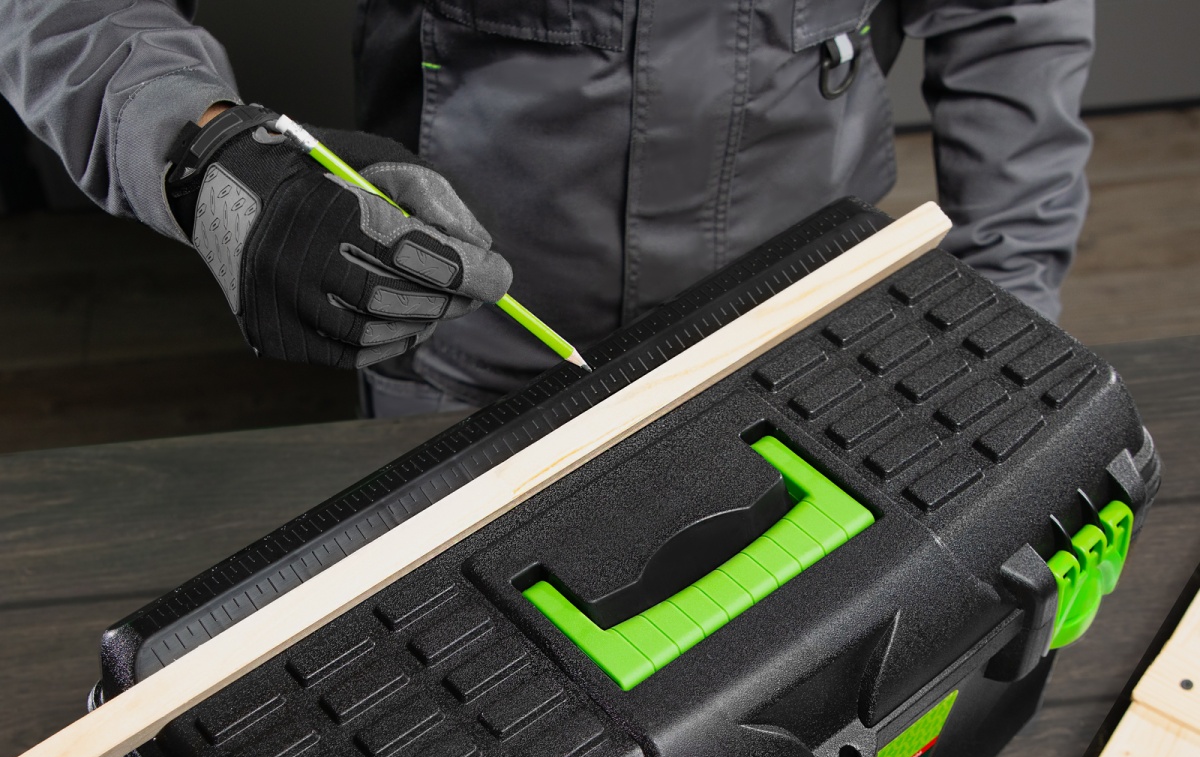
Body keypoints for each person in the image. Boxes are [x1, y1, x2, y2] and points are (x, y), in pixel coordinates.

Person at [0, 0, 1094, 417]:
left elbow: (1016, 18)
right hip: (456, 355)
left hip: (812, 346)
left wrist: (1003, 335)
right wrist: (210, 160)